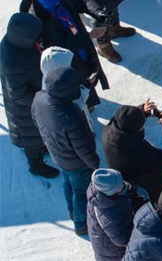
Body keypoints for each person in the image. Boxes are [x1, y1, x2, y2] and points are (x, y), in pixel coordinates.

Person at [31, 67, 101, 235]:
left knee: (68, 182)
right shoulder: (72, 115)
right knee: (81, 193)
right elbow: (83, 147)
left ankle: (71, 210)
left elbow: (36, 122)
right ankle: (81, 224)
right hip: (77, 163)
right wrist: (94, 164)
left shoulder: (39, 98)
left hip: (57, 154)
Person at [0, 12, 60, 178]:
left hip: (33, 99)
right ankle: (35, 165)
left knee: (38, 133)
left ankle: (42, 147)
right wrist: (43, 100)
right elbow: (18, 94)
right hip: (24, 110)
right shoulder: (13, 61)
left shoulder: (17, 43)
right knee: (30, 139)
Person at [35, 0, 109, 100]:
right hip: (70, 61)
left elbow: (81, 0)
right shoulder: (45, 25)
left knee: (89, 75)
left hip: (82, 49)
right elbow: (63, 44)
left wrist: (97, 12)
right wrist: (90, 36)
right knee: (79, 85)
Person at [102, 101, 162, 203]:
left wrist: (142, 111)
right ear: (136, 130)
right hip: (148, 189)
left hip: (126, 177)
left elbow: (119, 118)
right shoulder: (140, 153)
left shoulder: (107, 132)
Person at [87, 168, 136, 261]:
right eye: (120, 186)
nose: (124, 184)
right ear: (111, 192)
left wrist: (133, 188)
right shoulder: (110, 216)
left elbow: (120, 185)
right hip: (113, 253)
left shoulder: (100, 189)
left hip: (105, 241)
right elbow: (123, 239)